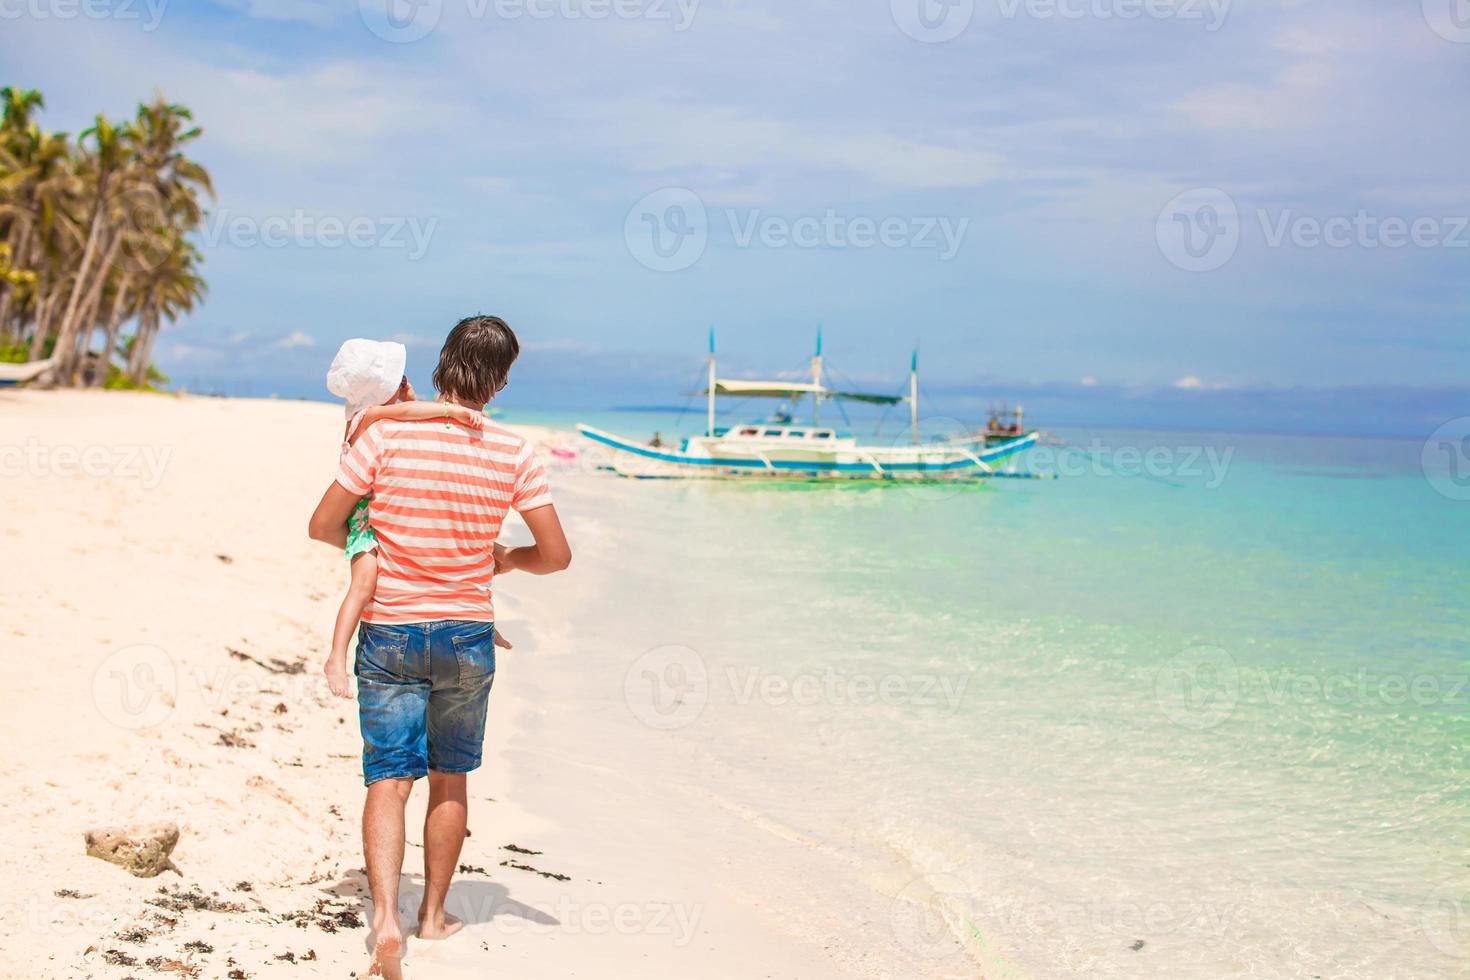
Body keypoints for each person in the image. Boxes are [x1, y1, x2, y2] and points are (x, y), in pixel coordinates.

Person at [307, 317, 572, 979]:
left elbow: (323, 525)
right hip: (466, 636)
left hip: (391, 630)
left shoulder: (385, 435)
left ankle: (388, 921)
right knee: (450, 776)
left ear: (439, 366)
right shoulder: (515, 452)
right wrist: (503, 560)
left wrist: (384, 554)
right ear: (503, 379)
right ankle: (433, 917)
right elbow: (557, 556)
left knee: (389, 779)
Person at [320, 338, 498, 700]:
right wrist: (452, 412)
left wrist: (415, 401)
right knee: (363, 585)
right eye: (398, 381)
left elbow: (407, 416)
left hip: (377, 513)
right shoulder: (367, 417)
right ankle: (336, 656)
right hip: (364, 522)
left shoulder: (366, 415)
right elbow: (405, 416)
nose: (404, 385)